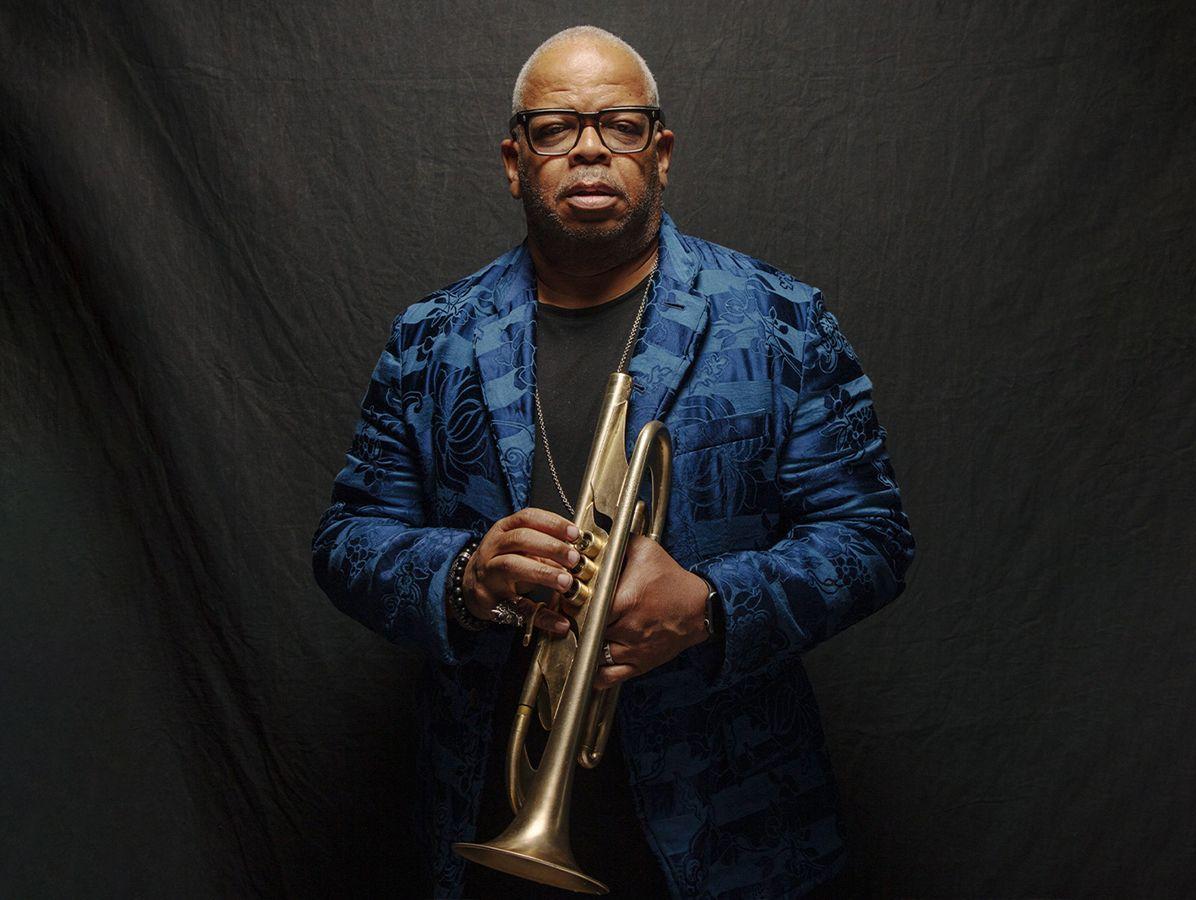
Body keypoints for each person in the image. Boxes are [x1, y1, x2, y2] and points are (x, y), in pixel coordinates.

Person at [312, 25, 914, 899]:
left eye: (621, 125)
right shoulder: (431, 337)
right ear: (516, 161)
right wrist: (464, 577)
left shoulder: (781, 321)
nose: (590, 147)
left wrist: (710, 607)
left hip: (727, 822)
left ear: (660, 152)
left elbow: (873, 539)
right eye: (555, 128)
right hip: (486, 814)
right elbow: (345, 540)